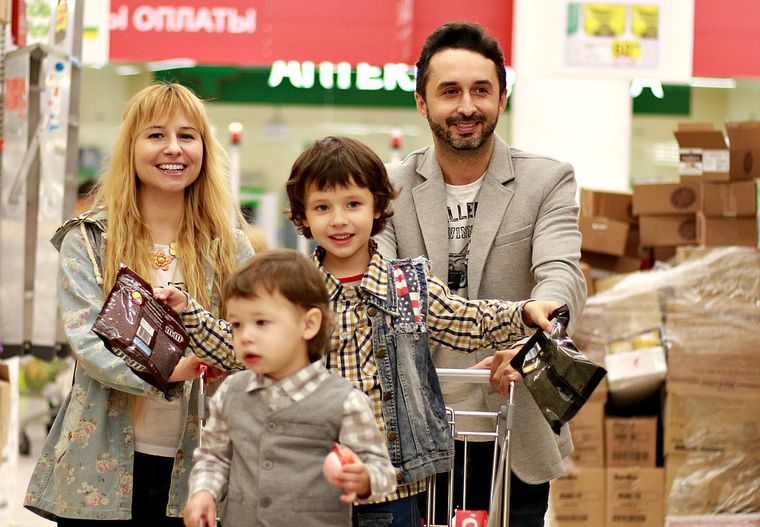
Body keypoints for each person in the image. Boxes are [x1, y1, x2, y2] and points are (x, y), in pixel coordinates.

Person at [159, 136, 563, 527]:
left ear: (378, 207)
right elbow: (239, 347)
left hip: (394, 488)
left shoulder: (407, 285)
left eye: (353, 204)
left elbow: (466, 320)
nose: (339, 220)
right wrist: (188, 313)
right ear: (302, 217)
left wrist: (524, 313)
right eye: (322, 207)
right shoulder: (295, 292)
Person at [375, 22, 587, 526]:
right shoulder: (387, 188)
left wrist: (537, 343)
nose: (466, 106)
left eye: (481, 90)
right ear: (422, 103)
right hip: (414, 430)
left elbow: (561, 272)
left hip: (515, 423)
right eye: (449, 91)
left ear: (502, 98)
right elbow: (377, 278)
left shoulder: (546, 180)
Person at [24, 83, 254, 525]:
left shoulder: (229, 247)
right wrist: (168, 370)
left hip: (200, 468)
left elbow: (255, 336)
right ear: (131, 146)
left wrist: (218, 347)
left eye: (187, 136)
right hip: (98, 464)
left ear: (204, 150)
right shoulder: (89, 240)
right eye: (156, 135)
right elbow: (87, 341)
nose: (174, 148)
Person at [180, 250, 398, 527]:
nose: (245, 336)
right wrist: (203, 492)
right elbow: (215, 457)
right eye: (236, 325)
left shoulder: (345, 401)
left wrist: (365, 479)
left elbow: (383, 473)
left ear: (309, 324)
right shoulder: (230, 392)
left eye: (261, 322)